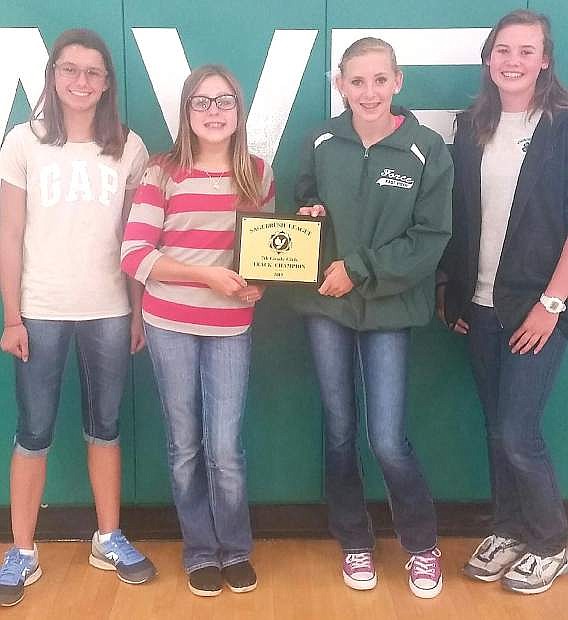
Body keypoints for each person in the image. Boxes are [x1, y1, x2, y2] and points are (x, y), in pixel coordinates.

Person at [0, 29, 156, 607]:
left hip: (110, 310)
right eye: (72, 70)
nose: (82, 82)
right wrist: (12, 316)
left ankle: (108, 537)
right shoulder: (23, 141)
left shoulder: (129, 147)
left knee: (105, 426)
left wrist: (138, 309)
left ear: (107, 83)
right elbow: (9, 233)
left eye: (94, 72)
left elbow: (138, 238)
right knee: (33, 431)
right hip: (39, 311)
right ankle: (21, 550)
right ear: (54, 74)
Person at [294, 37, 452, 597]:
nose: (368, 91)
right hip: (324, 305)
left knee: (386, 437)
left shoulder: (426, 148)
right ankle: (355, 541)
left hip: (387, 306)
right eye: (356, 81)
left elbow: (431, 238)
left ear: (397, 82)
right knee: (339, 431)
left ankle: (421, 545)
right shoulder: (320, 139)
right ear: (340, 84)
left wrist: (359, 268)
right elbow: (302, 202)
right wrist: (307, 213)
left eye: (379, 80)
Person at [121, 64, 275, 597]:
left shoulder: (258, 172)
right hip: (170, 325)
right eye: (202, 102)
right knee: (185, 444)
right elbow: (135, 254)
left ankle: (235, 549)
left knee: (226, 448)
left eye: (224, 101)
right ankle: (200, 551)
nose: (214, 112)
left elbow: (263, 259)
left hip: (231, 327)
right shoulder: (162, 171)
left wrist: (260, 284)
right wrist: (204, 275)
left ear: (240, 110)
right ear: (186, 112)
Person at [438, 9, 568, 595]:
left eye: (526, 50)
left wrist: (554, 303)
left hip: (538, 308)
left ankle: (550, 541)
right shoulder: (471, 127)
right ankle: (511, 527)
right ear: (489, 58)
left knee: (519, 431)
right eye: (503, 50)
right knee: (495, 428)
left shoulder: (563, 128)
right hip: (481, 305)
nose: (512, 61)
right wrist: (455, 291)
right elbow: (460, 217)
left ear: (545, 61)